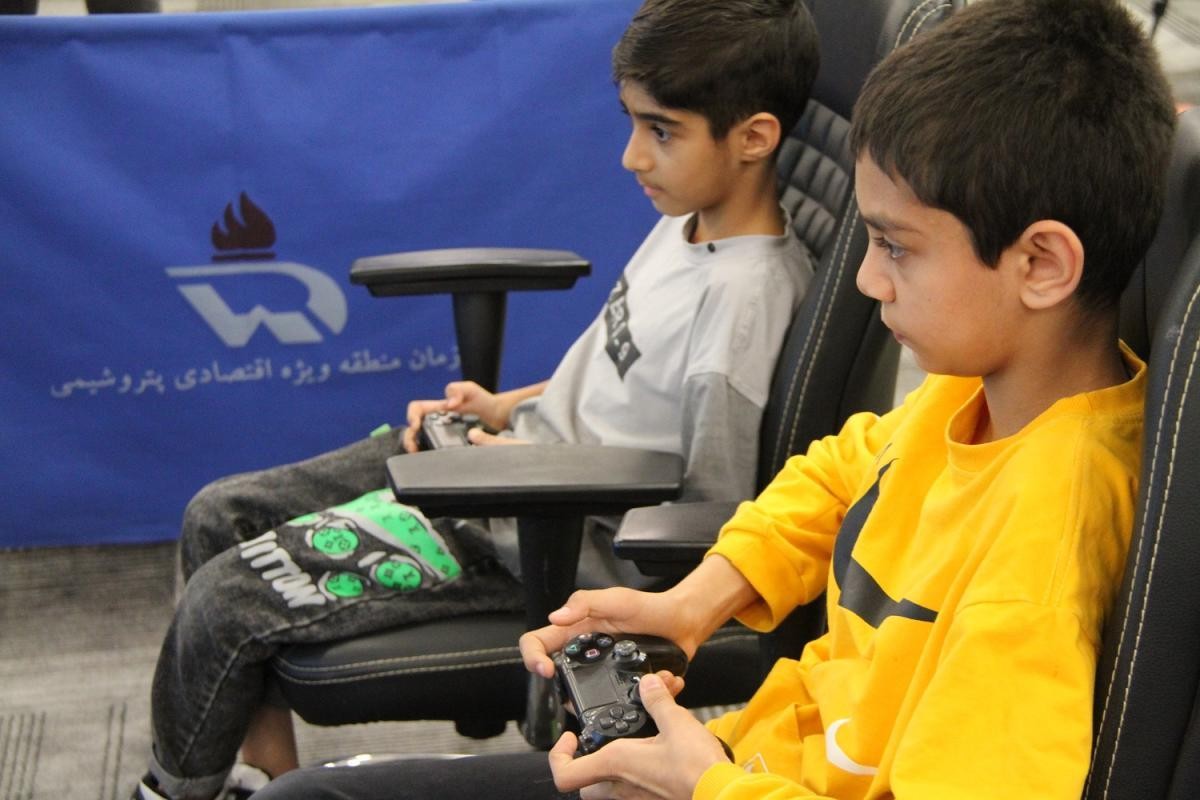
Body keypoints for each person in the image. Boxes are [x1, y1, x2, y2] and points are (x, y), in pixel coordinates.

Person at [250, 0, 1178, 797]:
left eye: (897, 247)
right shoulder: (976, 396)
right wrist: (691, 604)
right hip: (749, 760)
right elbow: (835, 476)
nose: (866, 280)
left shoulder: (1036, 557)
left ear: (1041, 264)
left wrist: (705, 784)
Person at [131, 0, 820, 797]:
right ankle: (263, 776)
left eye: (660, 131)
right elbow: (624, 377)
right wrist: (502, 407)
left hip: (545, 527)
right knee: (218, 515)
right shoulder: (691, 218)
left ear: (753, 138)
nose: (632, 154)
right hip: (513, 462)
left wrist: (529, 464)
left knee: (224, 604)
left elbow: (706, 510)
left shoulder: (743, 301)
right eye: (633, 123)